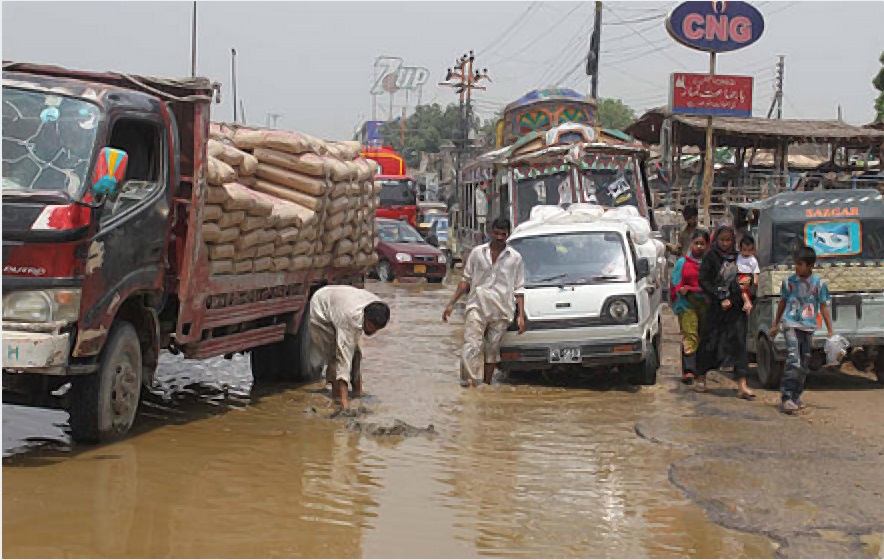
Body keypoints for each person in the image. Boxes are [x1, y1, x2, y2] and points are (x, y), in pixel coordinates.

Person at [442, 217, 526, 387]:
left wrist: (521, 316)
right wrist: (451, 303)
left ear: (508, 234)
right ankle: (470, 382)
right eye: (497, 233)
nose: (500, 237)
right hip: (477, 305)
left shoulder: (515, 258)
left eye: (503, 234)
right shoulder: (477, 253)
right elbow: (465, 280)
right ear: (490, 232)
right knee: (471, 345)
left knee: (492, 349)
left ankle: (486, 384)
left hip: (502, 308)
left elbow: (519, 288)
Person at [768, 246, 834, 415]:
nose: (796, 267)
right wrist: (776, 324)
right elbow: (782, 302)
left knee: (804, 363)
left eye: (800, 264)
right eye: (795, 264)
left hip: (808, 326)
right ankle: (786, 397)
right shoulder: (789, 282)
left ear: (810, 265)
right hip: (791, 324)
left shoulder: (819, 284)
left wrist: (830, 330)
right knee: (793, 359)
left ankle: (796, 397)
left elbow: (824, 307)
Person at [697, 225, 756, 399]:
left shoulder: (740, 258)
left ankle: (742, 384)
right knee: (709, 341)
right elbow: (704, 280)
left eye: (728, 240)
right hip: (715, 307)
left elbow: (747, 278)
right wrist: (719, 296)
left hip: (736, 308)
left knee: (739, 342)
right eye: (722, 240)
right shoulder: (710, 257)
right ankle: (701, 377)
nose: (725, 243)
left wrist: (739, 296)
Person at [308, 285, 391, 409]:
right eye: (372, 328)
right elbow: (343, 359)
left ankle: (357, 393)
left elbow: (354, 354)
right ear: (366, 319)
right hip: (321, 309)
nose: (373, 333)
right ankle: (338, 399)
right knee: (335, 357)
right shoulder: (349, 318)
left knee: (357, 354)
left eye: (377, 330)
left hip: (340, 304)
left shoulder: (379, 307)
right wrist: (346, 404)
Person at [670, 230, 710, 385]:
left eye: (702, 244)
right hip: (687, 303)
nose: (699, 247)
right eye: (696, 243)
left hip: (706, 304)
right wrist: (681, 290)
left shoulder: (709, 263)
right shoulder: (682, 263)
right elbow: (675, 282)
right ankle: (688, 370)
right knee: (690, 334)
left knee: (703, 336)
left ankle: (701, 369)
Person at [737, 235, 760, 305]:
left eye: (749, 250)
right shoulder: (738, 257)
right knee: (742, 288)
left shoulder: (753, 260)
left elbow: (756, 270)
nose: (746, 252)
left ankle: (747, 301)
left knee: (746, 290)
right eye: (744, 250)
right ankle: (746, 301)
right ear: (740, 248)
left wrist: (756, 279)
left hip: (748, 276)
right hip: (739, 275)